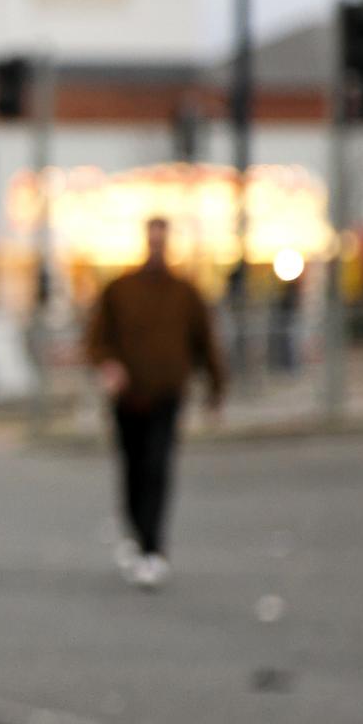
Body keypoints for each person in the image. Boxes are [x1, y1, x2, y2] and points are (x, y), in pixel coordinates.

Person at [85, 216, 227, 591]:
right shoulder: (120, 290)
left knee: (157, 466)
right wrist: (108, 365)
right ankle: (138, 533)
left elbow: (206, 344)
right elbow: (97, 339)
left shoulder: (184, 293)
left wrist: (216, 391)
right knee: (133, 469)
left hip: (167, 394)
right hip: (129, 397)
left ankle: (153, 546)